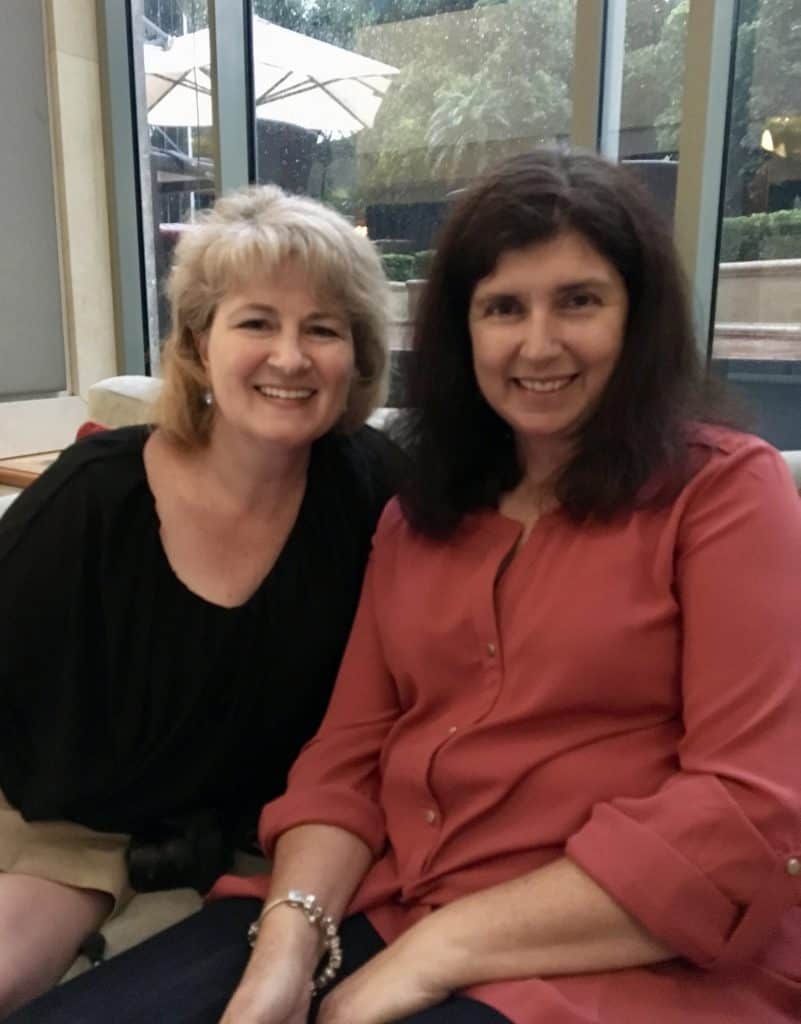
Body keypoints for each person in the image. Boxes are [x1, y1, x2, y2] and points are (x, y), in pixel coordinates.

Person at [11, 149, 801, 1024]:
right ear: (461, 334)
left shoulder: (723, 491)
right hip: (378, 897)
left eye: (578, 300)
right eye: (502, 307)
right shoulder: (417, 511)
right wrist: (285, 947)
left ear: (637, 317)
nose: (538, 344)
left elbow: (745, 806)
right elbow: (346, 758)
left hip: (614, 945)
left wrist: (435, 952)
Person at [0, 185, 402, 1016]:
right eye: (257, 322)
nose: (289, 358)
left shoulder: (375, 494)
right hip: (69, 819)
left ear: (356, 357)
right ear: (197, 342)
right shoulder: (94, 496)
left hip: (255, 838)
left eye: (322, 329)